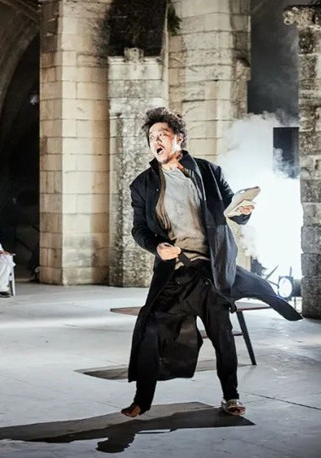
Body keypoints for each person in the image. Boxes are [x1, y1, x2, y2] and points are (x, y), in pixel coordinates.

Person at [122, 107, 302, 419]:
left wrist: (243, 211)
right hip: (174, 272)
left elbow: (234, 209)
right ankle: (142, 399)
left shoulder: (208, 173)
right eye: (151, 137)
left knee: (222, 333)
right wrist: (156, 246)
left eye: (162, 135)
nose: (156, 141)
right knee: (150, 328)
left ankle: (231, 396)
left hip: (211, 271)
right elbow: (139, 230)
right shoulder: (143, 184)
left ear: (179, 138)